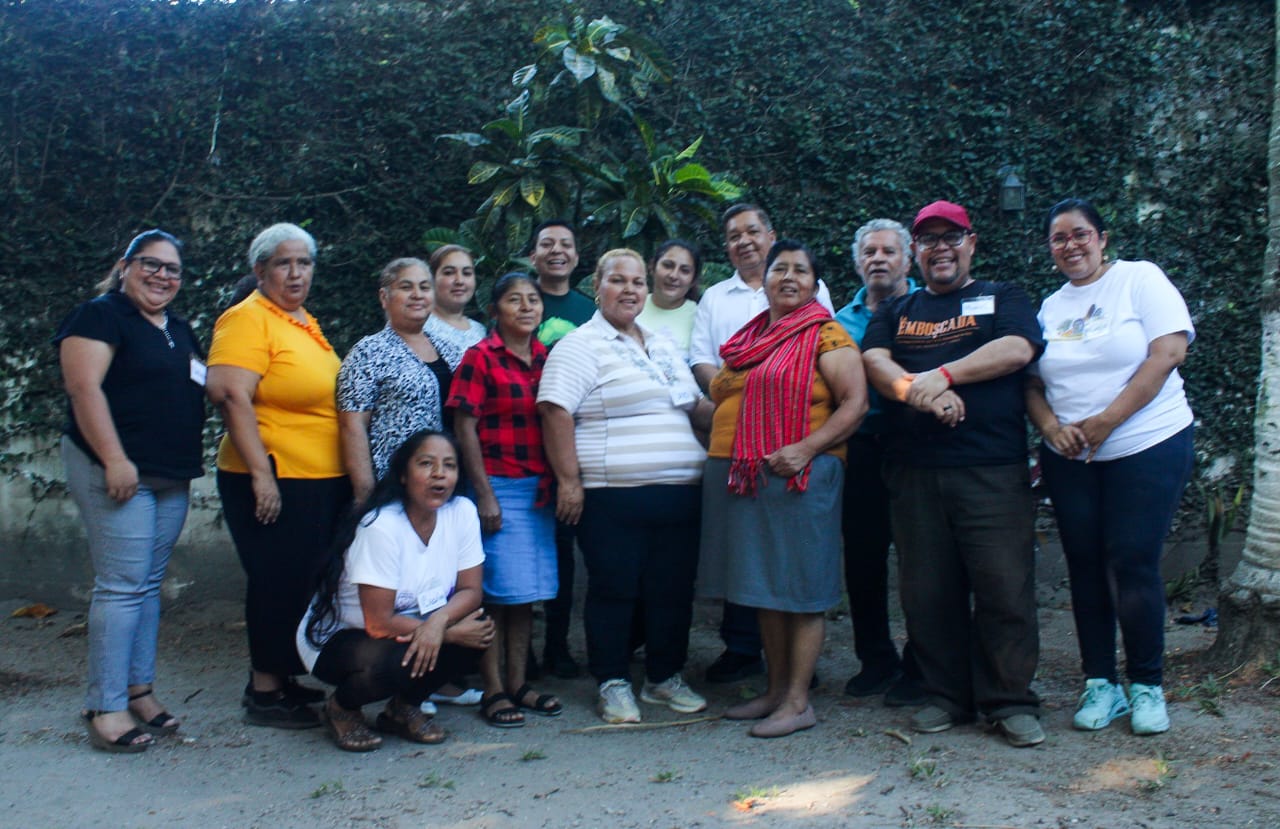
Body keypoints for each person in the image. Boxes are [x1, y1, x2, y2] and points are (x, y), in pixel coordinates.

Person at [861, 200, 1047, 748]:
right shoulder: (898, 309)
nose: (940, 248)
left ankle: (1009, 701)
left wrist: (942, 376)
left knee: (1004, 587)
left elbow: (1016, 349)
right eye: (929, 239)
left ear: (971, 244)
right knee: (927, 592)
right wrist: (920, 396)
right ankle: (945, 695)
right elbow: (875, 362)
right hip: (915, 472)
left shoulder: (1004, 297)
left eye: (952, 237)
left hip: (992, 470)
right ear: (915, 252)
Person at [1025, 198, 1194, 736]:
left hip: (1148, 443)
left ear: (1102, 238)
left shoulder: (1140, 280)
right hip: (1070, 457)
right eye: (1058, 238)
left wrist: (1106, 421)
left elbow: (1168, 354)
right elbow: (1032, 383)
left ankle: (1147, 685)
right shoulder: (1050, 307)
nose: (1070, 245)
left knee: (1132, 561)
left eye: (1080, 234)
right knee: (1084, 565)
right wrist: (1050, 429)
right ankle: (1101, 683)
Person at [699, 239, 867, 738]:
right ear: (765, 280)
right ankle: (775, 692)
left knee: (803, 589)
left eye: (800, 270)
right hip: (749, 476)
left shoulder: (826, 334)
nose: (788, 277)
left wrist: (805, 449)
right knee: (766, 589)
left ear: (815, 285)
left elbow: (855, 404)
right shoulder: (750, 338)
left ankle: (797, 702)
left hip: (801, 475)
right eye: (780, 269)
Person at [538, 248, 712, 724]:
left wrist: (747, 413)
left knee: (672, 590)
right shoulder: (579, 344)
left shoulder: (661, 344)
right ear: (597, 287)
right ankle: (612, 682)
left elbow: (694, 406)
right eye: (618, 280)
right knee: (614, 589)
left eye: (637, 282)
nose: (630, 289)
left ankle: (664, 677)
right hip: (612, 495)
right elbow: (554, 409)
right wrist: (569, 482)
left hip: (680, 493)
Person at [57, 229, 205, 753]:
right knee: (121, 586)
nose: (162, 275)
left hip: (170, 474)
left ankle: (137, 691)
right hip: (118, 470)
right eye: (151, 264)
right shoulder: (100, 316)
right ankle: (106, 706)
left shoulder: (178, 328)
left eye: (172, 268)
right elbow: (83, 389)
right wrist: (115, 459)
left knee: (147, 584)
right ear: (125, 266)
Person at [206, 222, 351, 729]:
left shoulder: (300, 321)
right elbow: (229, 394)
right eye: (283, 263)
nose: (296, 273)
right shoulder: (247, 318)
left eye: (304, 263)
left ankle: (282, 678)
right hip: (274, 474)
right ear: (260, 269)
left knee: (299, 580)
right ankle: (264, 693)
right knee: (276, 579)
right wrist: (261, 475)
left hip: (315, 479)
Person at [688, 204, 835, 684]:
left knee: (793, 571)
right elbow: (704, 362)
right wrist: (739, 392)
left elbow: (830, 372)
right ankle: (754, 662)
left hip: (793, 454)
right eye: (734, 235)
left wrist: (767, 398)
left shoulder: (816, 308)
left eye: (752, 231)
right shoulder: (717, 301)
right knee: (750, 565)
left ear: (771, 236)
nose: (744, 241)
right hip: (739, 454)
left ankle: (796, 681)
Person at [299, 430, 495, 751]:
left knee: (479, 630)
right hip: (342, 637)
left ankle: (403, 708)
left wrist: (438, 623)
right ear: (403, 475)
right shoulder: (381, 526)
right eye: (426, 464)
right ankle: (342, 707)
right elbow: (379, 622)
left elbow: (471, 590)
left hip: (414, 624)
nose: (439, 473)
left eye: (449, 465)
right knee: (400, 657)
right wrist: (444, 633)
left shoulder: (461, 512)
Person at [446, 272, 560, 728]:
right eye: (515, 300)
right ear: (495, 311)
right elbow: (464, 426)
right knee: (493, 594)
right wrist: (484, 494)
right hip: (498, 486)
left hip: (539, 491)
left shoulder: (547, 357)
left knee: (524, 595)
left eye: (533, 299)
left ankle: (519, 684)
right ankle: (492, 690)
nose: (527, 307)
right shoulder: (480, 357)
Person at [833, 219, 925, 707]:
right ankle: (875, 659)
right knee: (864, 560)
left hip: (917, 447)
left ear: (908, 259)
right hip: (861, 449)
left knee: (922, 558)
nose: (878, 259)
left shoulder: (929, 309)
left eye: (889, 251)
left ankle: (922, 664)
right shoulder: (837, 322)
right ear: (857, 262)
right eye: (869, 251)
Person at [337, 257, 464, 504]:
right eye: (406, 287)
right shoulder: (368, 352)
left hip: (446, 484)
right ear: (384, 297)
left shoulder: (452, 351)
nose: (417, 295)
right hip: (393, 488)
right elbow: (352, 426)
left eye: (424, 287)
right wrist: (365, 492)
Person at [529, 220, 594, 678]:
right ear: (533, 255)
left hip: (576, 441)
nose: (557, 251)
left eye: (565, 244)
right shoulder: (520, 299)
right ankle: (517, 652)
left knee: (564, 548)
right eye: (547, 244)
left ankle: (557, 645)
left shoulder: (589, 309)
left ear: (576, 255)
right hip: (522, 444)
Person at [636, 240, 703, 362]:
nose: (674, 275)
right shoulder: (632, 307)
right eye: (667, 265)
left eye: (685, 270)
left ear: (693, 279)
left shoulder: (701, 316)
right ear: (652, 267)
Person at [425, 245, 487, 352]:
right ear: (432, 278)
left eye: (467, 273)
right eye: (449, 273)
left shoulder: (480, 331)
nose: (459, 281)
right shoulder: (418, 328)